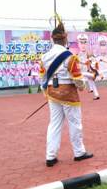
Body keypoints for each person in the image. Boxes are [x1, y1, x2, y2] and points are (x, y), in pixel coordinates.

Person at [39, 15, 93, 167]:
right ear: (64, 40)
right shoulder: (70, 57)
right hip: (68, 93)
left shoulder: (44, 56)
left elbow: (42, 77)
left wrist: (46, 92)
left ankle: (50, 156)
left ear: (52, 40)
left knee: (54, 124)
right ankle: (79, 152)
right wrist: (82, 86)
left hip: (52, 92)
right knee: (75, 123)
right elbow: (77, 78)